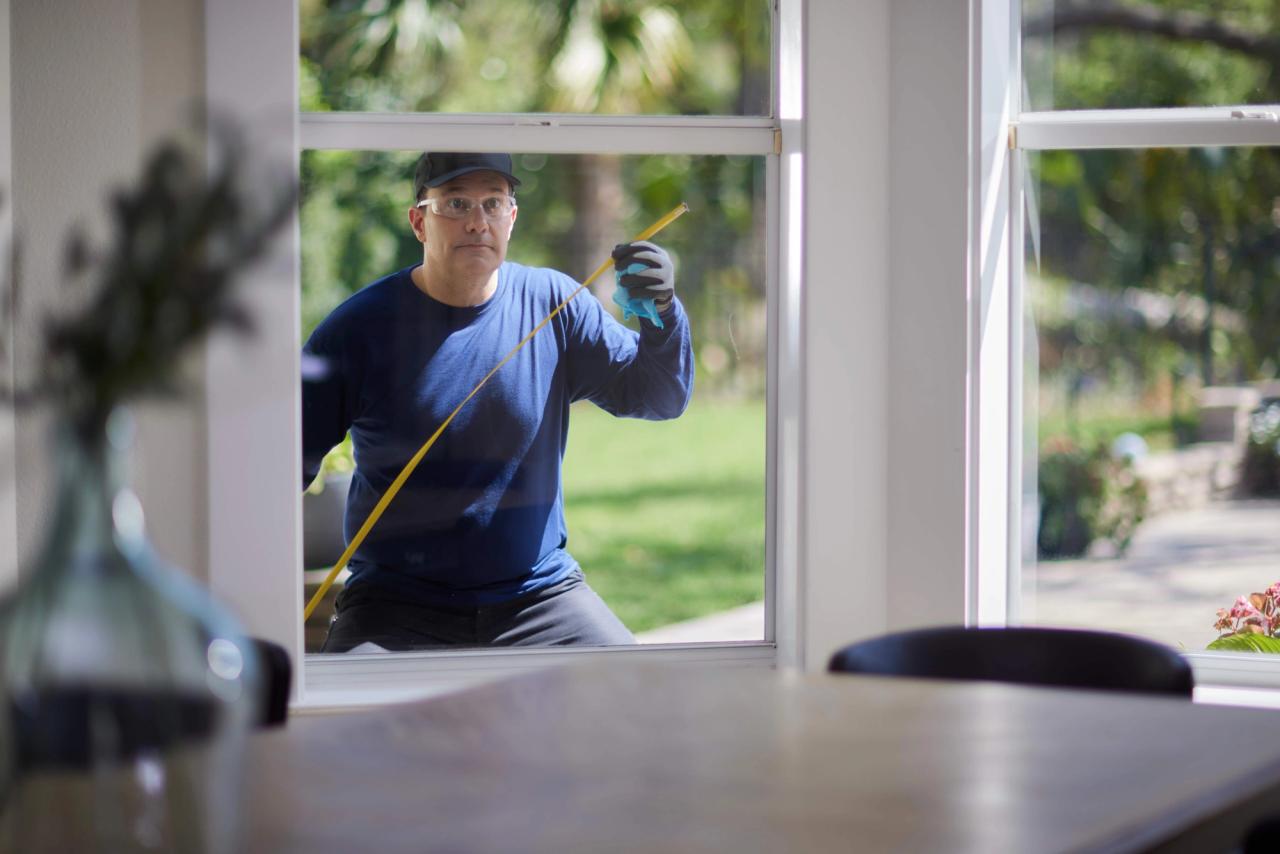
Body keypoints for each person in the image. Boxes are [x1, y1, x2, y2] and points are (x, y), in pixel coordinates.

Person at [301, 152, 693, 652]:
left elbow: (659, 396)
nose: (476, 222)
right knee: (341, 719)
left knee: (640, 696)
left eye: (493, 203)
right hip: (396, 605)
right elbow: (280, 462)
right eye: (456, 203)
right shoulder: (359, 328)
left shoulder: (555, 303)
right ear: (419, 222)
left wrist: (662, 314)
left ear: (511, 218)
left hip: (539, 598)